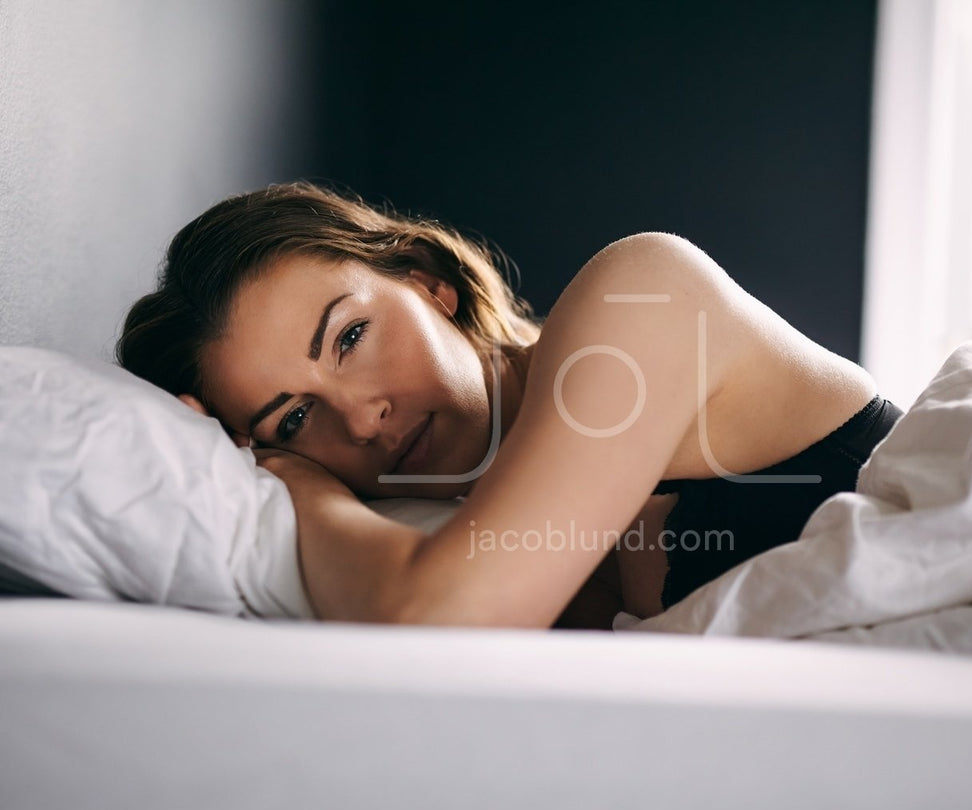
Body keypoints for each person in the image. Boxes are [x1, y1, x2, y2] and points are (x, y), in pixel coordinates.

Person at [117, 182, 903, 630]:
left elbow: (441, 618)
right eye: (292, 420)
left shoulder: (640, 295)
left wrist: (298, 483)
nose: (360, 419)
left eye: (351, 336)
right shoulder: (445, 526)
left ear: (428, 281)